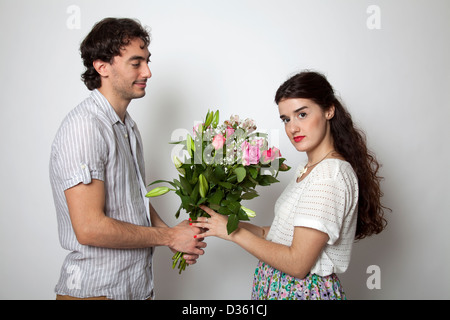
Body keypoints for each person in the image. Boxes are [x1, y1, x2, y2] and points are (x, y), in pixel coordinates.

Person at [194, 71, 388, 300]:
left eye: (302, 114)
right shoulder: (309, 170)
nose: (292, 128)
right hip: (279, 289)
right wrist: (222, 224)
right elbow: (274, 234)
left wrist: (233, 233)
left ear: (329, 110)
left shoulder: (329, 175)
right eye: (286, 119)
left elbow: (297, 263)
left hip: (302, 293)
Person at [49, 17, 206, 300]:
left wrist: (172, 235)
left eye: (147, 61)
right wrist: (169, 237)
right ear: (102, 66)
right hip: (95, 293)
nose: (147, 71)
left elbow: (135, 201)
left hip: (135, 290)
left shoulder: (128, 127)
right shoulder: (85, 126)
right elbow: (89, 228)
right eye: (136, 62)